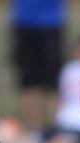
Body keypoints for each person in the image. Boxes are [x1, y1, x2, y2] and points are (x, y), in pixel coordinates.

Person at [10, 0, 67, 132]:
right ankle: (32, 129)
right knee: (28, 78)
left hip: (51, 21)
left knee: (54, 79)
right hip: (23, 21)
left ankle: (55, 127)